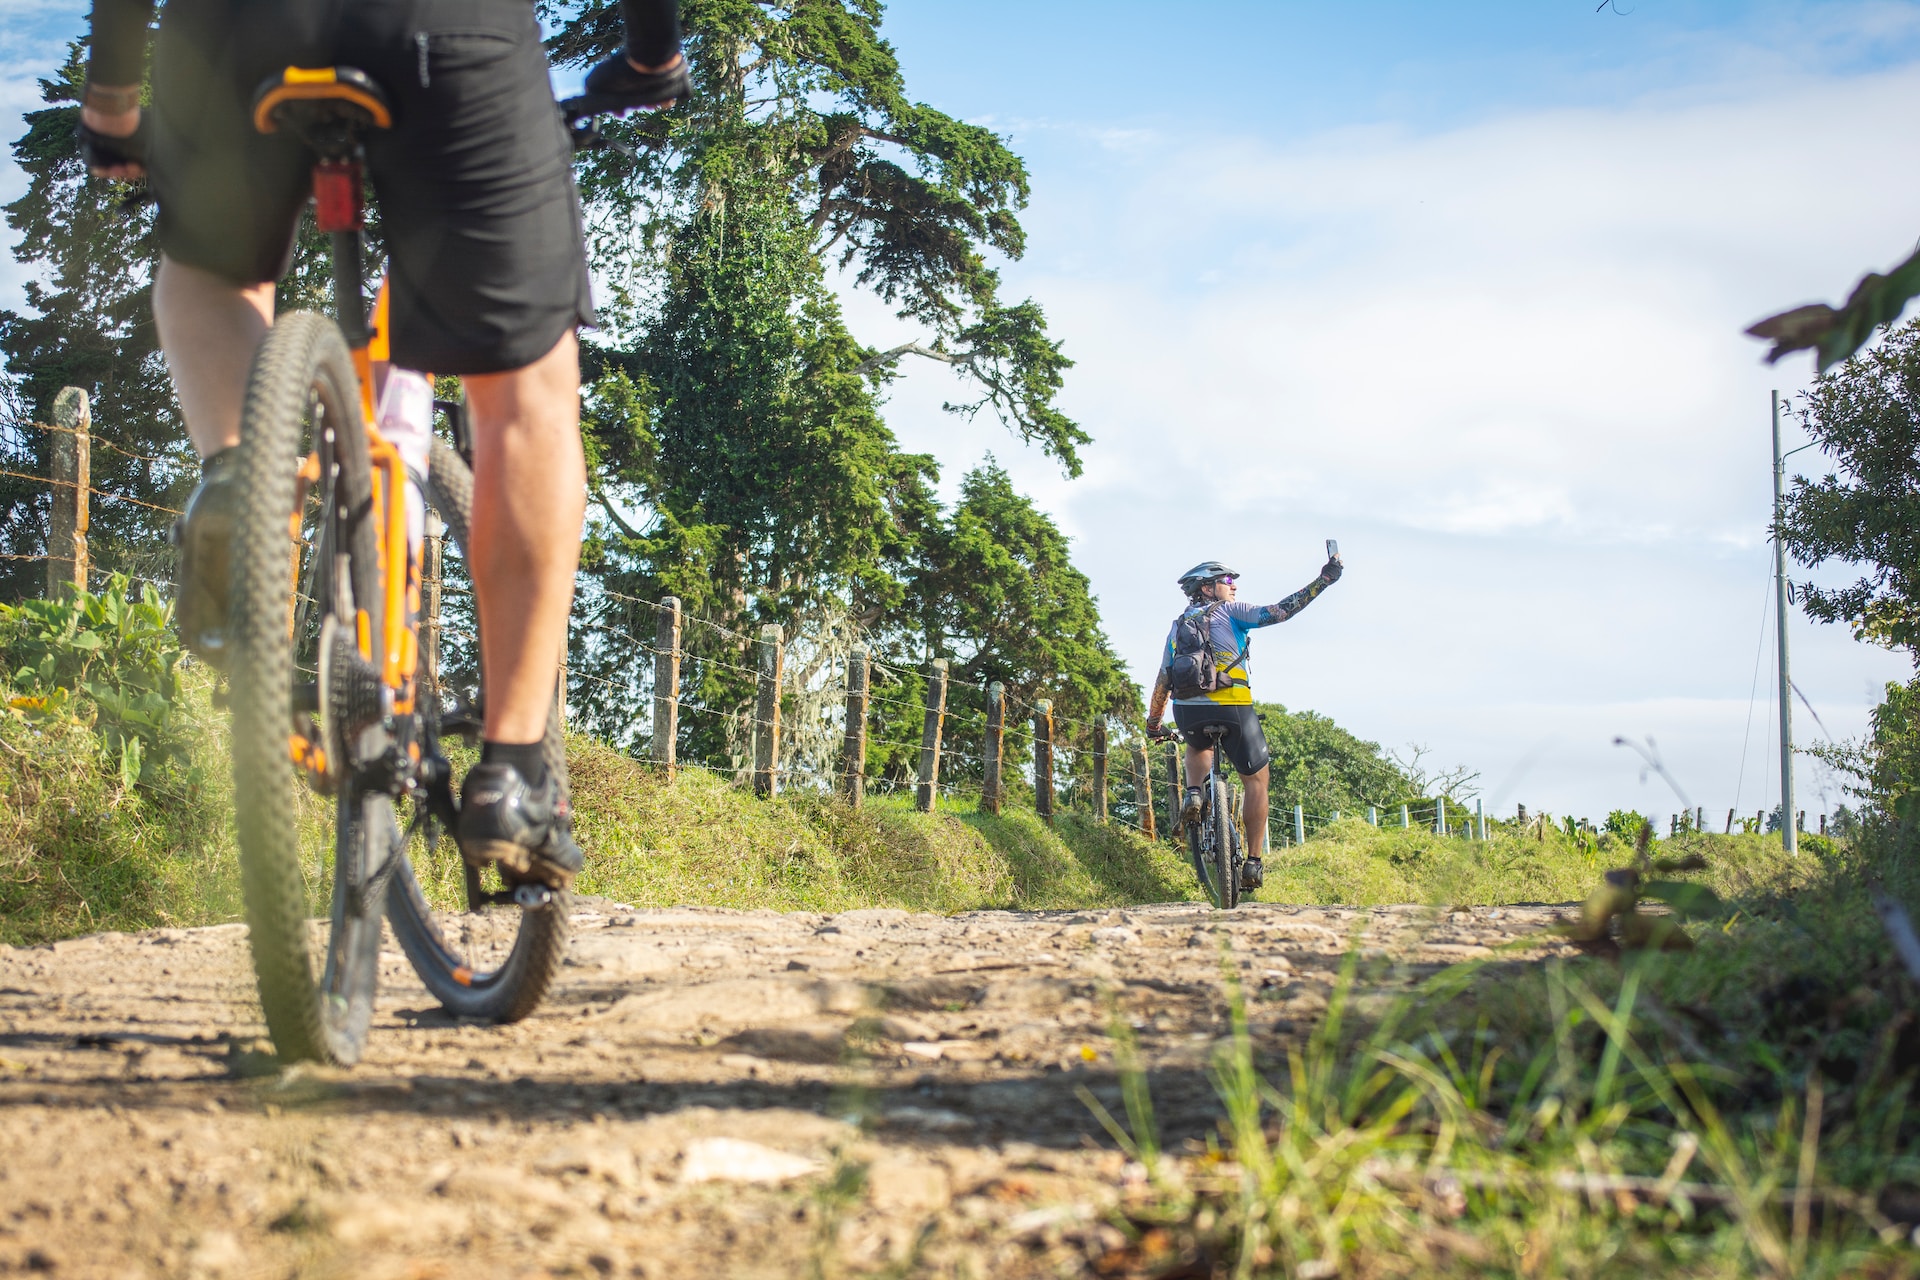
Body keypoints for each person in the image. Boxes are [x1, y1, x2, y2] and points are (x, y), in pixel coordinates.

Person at [75, 0, 687, 888]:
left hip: (240, 32)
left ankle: (242, 485)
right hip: (448, 32)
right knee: (525, 392)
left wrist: (112, 98)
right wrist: (651, 55)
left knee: (208, 277)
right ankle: (514, 779)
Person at [1145, 555, 1342, 890]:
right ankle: (1253, 862)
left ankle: (1194, 794)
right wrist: (1324, 580)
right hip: (1233, 706)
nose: (1233, 586)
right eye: (1227, 580)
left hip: (1187, 710)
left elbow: (1164, 679)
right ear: (1208, 588)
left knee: (1196, 743)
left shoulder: (1177, 626)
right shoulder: (1230, 612)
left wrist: (1154, 723)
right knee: (1257, 780)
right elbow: (1282, 611)